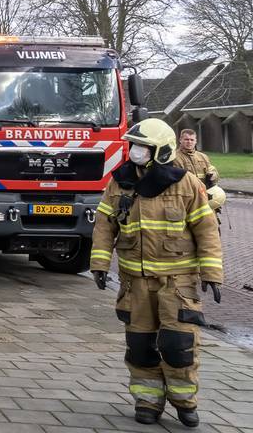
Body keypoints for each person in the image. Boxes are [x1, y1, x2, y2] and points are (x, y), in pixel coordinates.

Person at [90, 118, 223, 428]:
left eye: (143, 147)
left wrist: (212, 273)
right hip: (134, 283)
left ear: (160, 151)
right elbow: (104, 225)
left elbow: (206, 230)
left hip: (177, 283)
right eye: (133, 146)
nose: (135, 151)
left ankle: (184, 402)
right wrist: (98, 264)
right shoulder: (120, 182)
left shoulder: (186, 183)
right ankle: (147, 401)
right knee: (140, 345)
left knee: (178, 345)